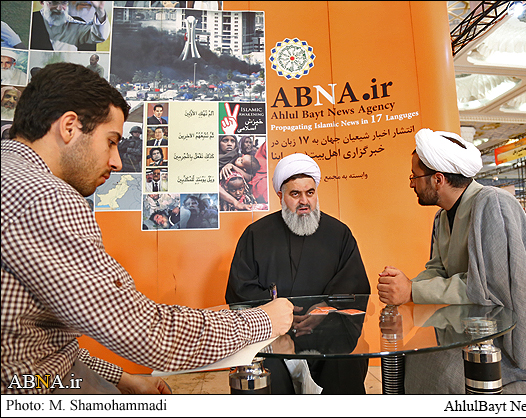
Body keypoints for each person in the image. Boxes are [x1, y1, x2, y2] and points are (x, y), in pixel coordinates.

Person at [1, 62, 293, 394]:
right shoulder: (43, 197)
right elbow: (147, 332)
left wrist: (123, 379)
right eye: (111, 141)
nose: (117, 162)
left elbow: (38, 341)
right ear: (69, 127)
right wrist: (263, 321)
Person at [376, 128, 526, 394]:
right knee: (416, 356)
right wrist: (405, 285)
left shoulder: (493, 204)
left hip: (517, 338)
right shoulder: (442, 217)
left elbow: (488, 288)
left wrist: (412, 290)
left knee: (441, 374)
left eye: (414, 176)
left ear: (438, 179)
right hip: (475, 327)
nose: (411, 184)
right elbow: (438, 269)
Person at [225, 153, 371, 394]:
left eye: (310, 193)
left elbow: (354, 286)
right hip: (272, 338)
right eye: (295, 194)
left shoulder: (338, 233)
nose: (305, 201)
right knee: (265, 372)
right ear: (280, 195)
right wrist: (276, 317)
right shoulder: (256, 235)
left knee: (345, 365)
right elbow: (240, 291)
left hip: (326, 336)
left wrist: (324, 309)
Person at [30, 1, 110, 51]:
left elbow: (98, 36)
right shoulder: (31, 21)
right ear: (42, 2)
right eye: (54, 2)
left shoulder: (75, 22)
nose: (59, 8)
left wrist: (100, 11)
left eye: (63, 2)